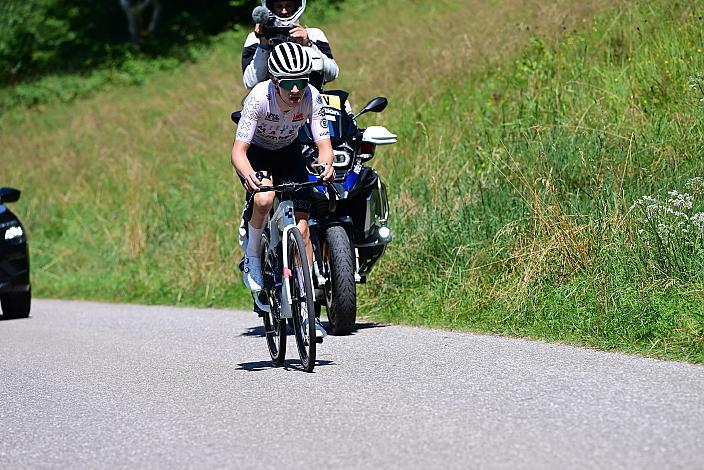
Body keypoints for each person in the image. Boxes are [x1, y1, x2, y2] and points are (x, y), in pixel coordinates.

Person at [231, 42, 335, 338]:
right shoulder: (259, 99)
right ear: (275, 81)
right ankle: (252, 256)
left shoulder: (311, 97)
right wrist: (250, 175)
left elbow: (323, 146)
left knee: (302, 228)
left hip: (289, 153)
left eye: (301, 82)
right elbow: (238, 151)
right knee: (264, 198)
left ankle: (308, 315)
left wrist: (326, 166)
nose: (295, 90)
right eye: (288, 83)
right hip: (258, 155)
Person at [241, 0, 339, 91]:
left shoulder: (313, 34)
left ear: (297, 6)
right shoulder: (255, 38)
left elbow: (332, 74)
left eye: (289, 6)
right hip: (270, 102)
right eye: (279, 6)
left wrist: (308, 45)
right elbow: (250, 83)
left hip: (308, 97)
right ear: (271, 8)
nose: (284, 11)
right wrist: (263, 45)